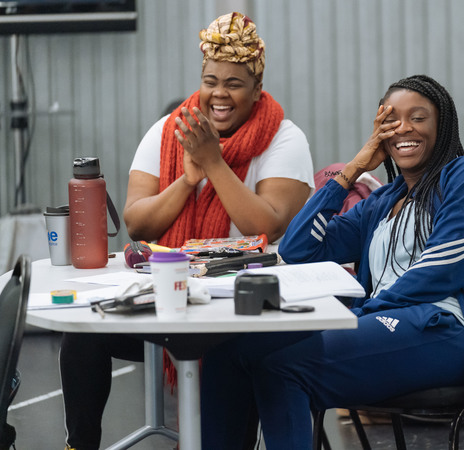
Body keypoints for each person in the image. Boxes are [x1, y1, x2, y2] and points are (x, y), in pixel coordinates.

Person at [198, 74, 464, 449]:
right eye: (391, 120)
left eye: (418, 117)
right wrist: (356, 165)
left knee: (282, 369)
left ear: (441, 125)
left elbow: (442, 269)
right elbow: (300, 249)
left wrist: (360, 313)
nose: (404, 128)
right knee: (229, 355)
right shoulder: (381, 204)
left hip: (447, 330)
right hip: (382, 321)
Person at [59, 12, 314, 450]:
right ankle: (79, 445)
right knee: (84, 334)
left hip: (242, 310)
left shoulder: (284, 140)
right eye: (210, 80)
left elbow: (269, 225)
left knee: (230, 376)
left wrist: (214, 164)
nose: (219, 93)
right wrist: (187, 178)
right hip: (170, 296)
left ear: (256, 89)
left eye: (234, 83)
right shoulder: (166, 132)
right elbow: (137, 225)